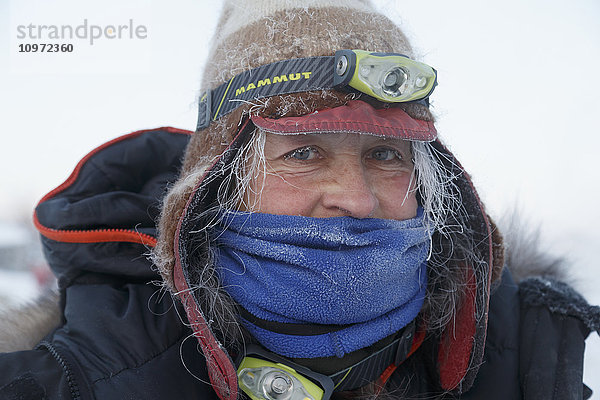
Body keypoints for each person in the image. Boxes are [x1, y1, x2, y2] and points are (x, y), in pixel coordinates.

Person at [1, 1, 599, 399]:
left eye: (386, 155)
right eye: (303, 153)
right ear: (215, 183)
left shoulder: (536, 354)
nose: (356, 199)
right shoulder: (74, 379)